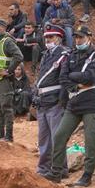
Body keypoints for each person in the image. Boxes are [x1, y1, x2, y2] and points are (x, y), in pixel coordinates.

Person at [47, 26, 95, 187]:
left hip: (92, 103)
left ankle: (87, 176)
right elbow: (63, 77)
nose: (78, 40)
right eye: (76, 37)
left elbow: (91, 76)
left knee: (91, 141)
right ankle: (56, 172)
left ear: (89, 37)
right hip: (73, 102)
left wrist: (74, 76)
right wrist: (75, 84)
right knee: (59, 135)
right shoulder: (70, 55)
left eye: (81, 37)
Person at [34, 25, 70, 178]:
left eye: (51, 37)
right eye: (46, 37)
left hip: (55, 101)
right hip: (42, 101)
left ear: (59, 38)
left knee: (57, 138)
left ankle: (60, 169)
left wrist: (61, 101)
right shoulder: (45, 55)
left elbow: (63, 79)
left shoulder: (64, 55)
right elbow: (41, 78)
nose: (48, 40)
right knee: (44, 139)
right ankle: (44, 168)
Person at [0, 18, 24, 142]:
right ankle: (0, 134)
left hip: (3, 80)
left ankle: (8, 136)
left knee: (6, 107)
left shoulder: (7, 42)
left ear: (4, 28)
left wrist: (8, 71)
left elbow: (19, 56)